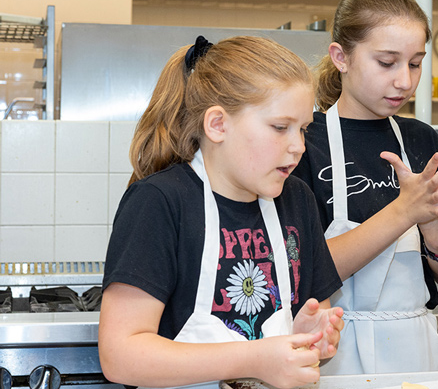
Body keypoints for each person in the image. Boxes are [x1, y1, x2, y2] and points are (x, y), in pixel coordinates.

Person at [98, 35, 344, 389]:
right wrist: (256, 358)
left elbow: (313, 322)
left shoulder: (297, 201)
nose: (299, 146)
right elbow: (121, 355)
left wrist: (309, 341)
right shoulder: (160, 203)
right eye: (280, 127)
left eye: (303, 129)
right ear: (217, 125)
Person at [292, 0, 438, 375]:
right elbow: (306, 272)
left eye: (415, 63)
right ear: (341, 57)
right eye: (387, 63)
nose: (405, 81)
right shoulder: (302, 142)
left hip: (416, 350)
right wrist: (403, 212)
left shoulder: (421, 140)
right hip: (333, 352)